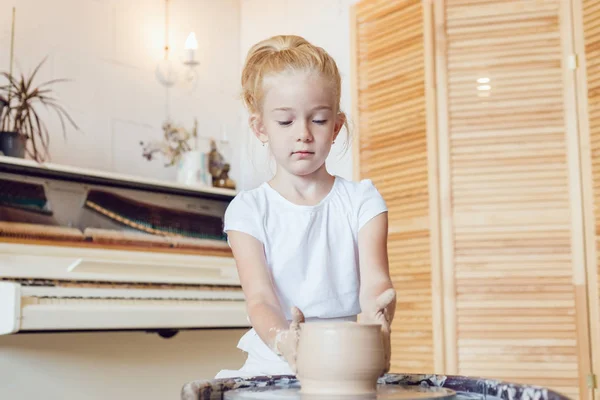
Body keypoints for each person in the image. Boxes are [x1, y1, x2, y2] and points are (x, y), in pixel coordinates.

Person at [215, 34, 396, 379]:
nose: (303, 133)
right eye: (285, 121)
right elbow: (261, 300)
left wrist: (379, 318)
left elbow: (376, 284)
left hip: (346, 357)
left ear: (337, 126)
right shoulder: (248, 210)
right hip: (275, 358)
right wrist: (287, 341)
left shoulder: (363, 202)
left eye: (318, 119)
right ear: (260, 127)